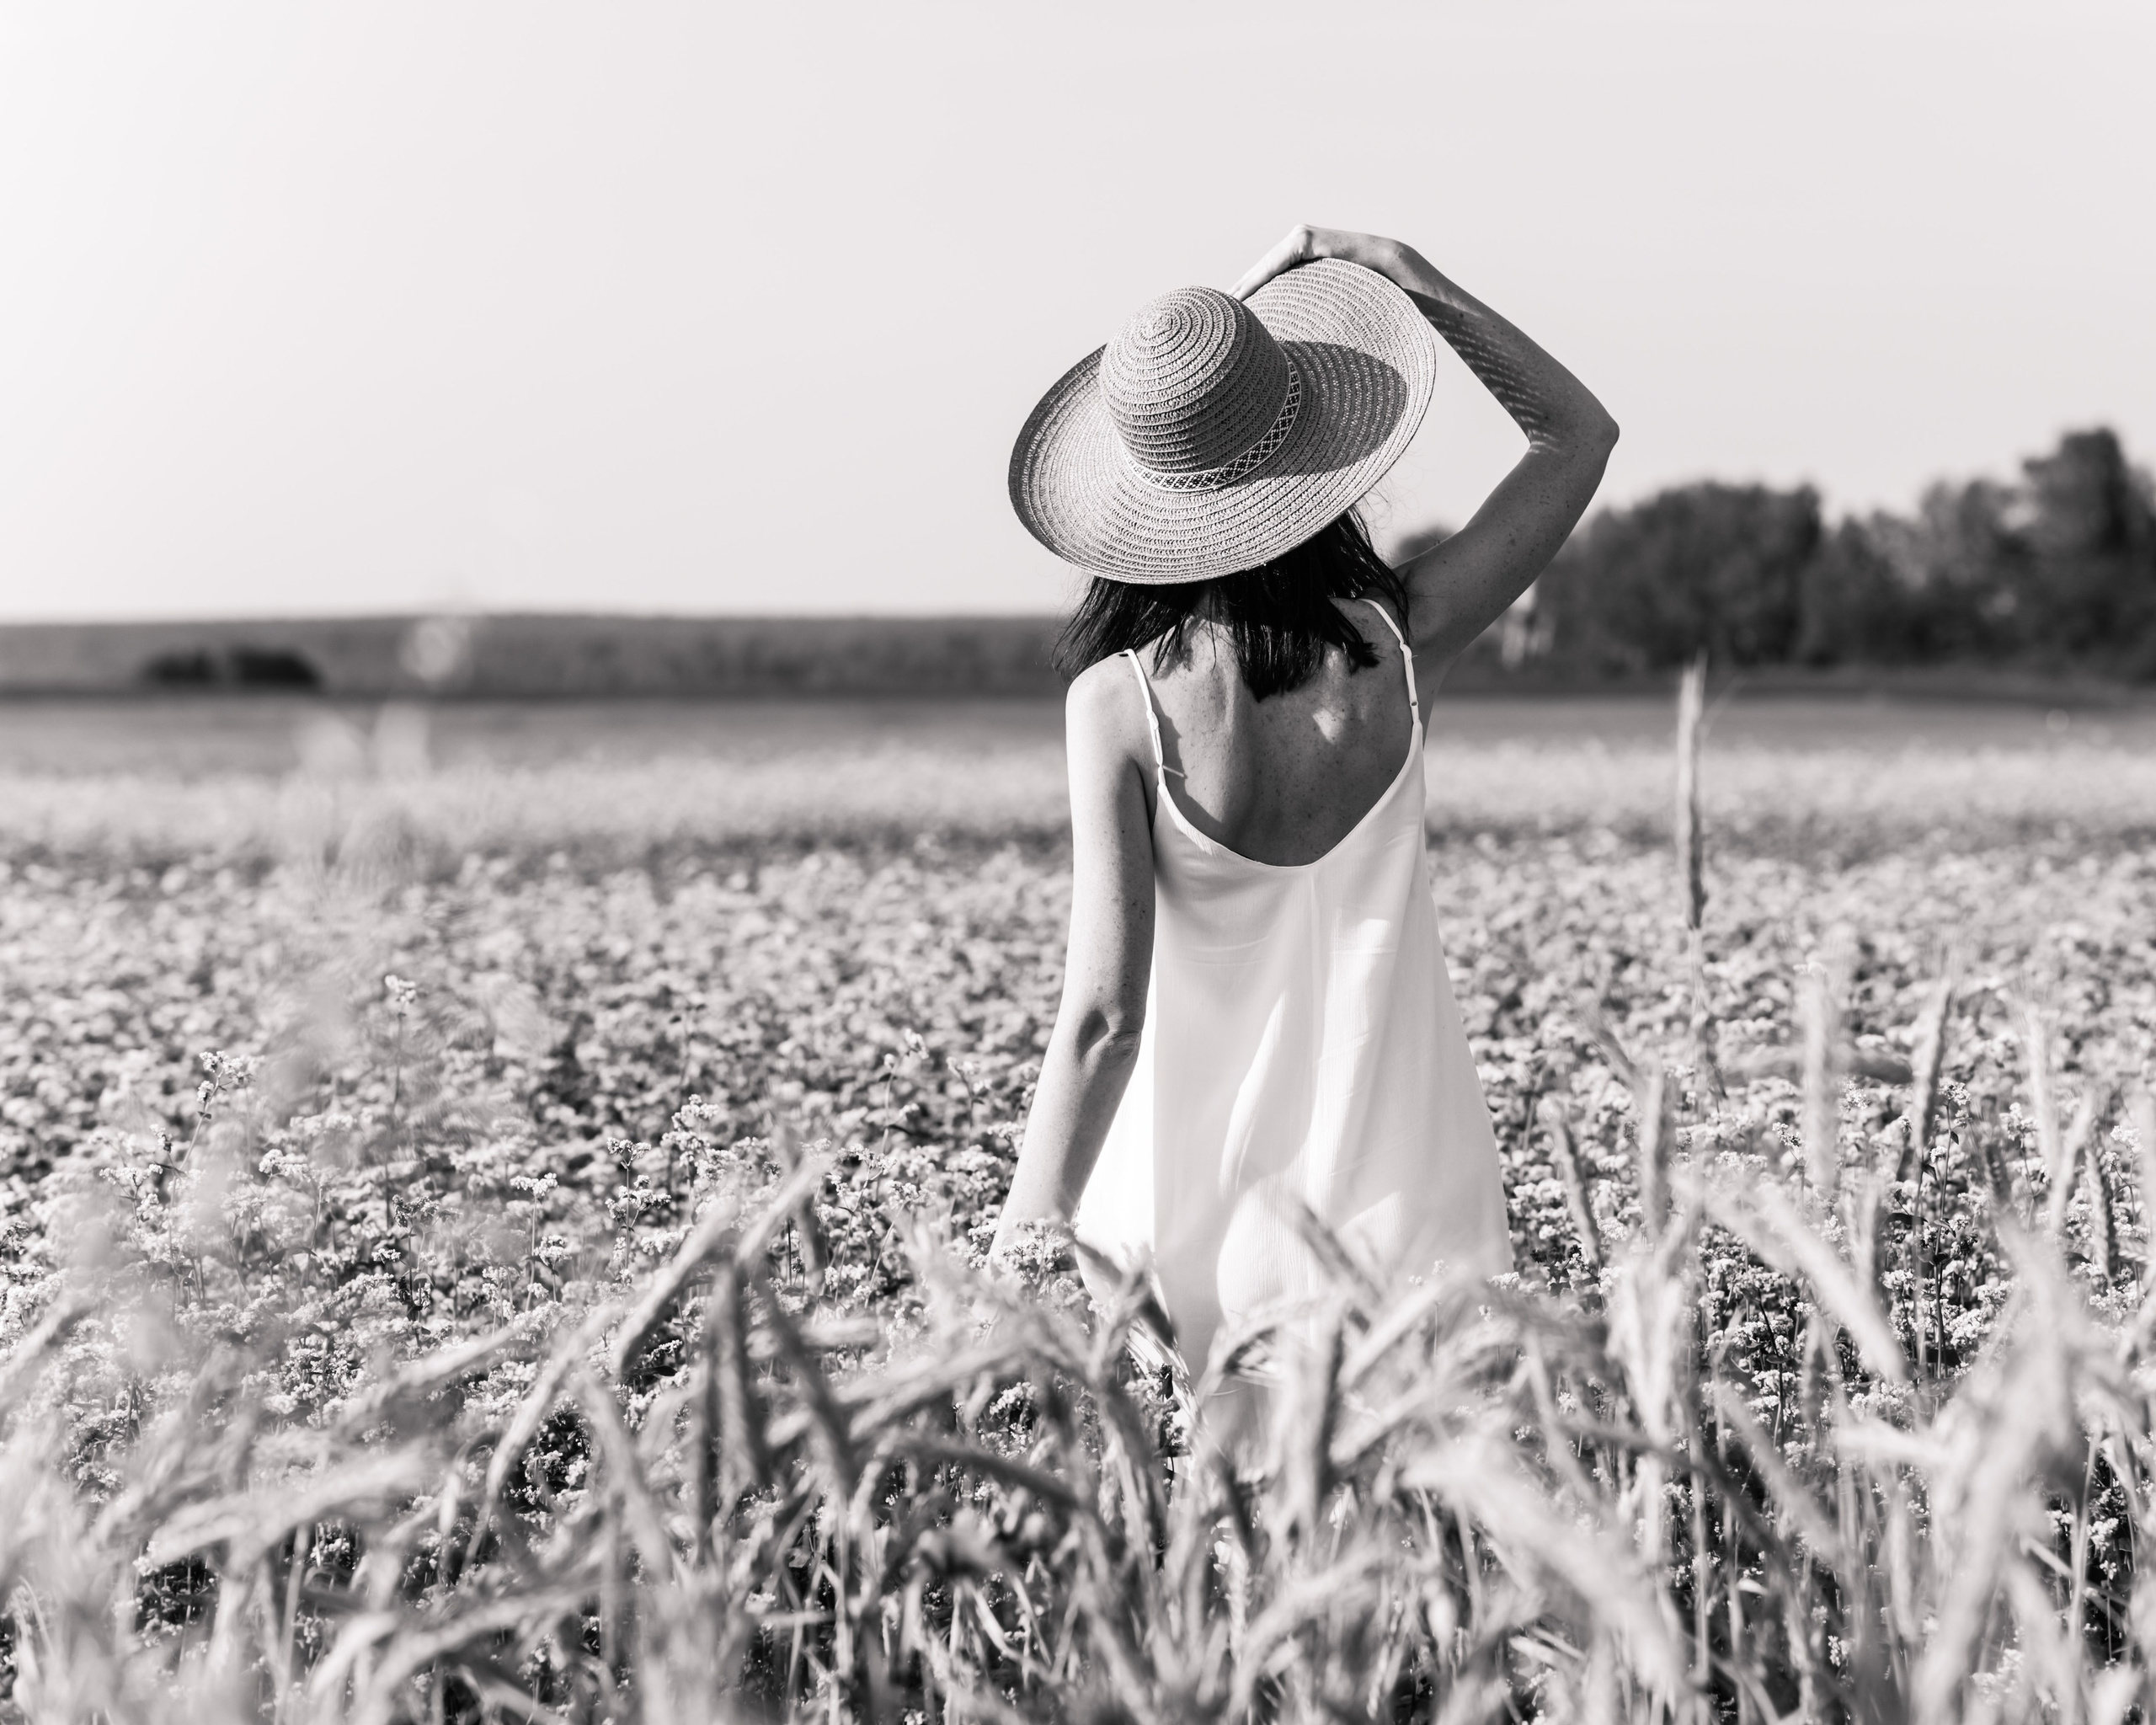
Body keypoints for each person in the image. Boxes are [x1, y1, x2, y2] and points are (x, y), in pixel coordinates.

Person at [990, 226, 1617, 1406]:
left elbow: (1102, 1020)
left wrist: (1019, 1249)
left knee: (1218, 1582)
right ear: (1323, 459)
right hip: (1417, 1226)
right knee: (1424, 1579)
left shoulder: (1118, 707)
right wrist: (1406, 280)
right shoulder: (1399, 644)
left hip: (1192, 1250)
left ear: (1140, 500)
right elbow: (1577, 437)